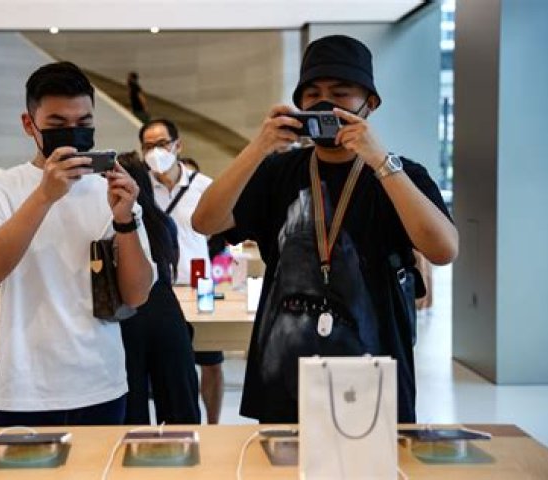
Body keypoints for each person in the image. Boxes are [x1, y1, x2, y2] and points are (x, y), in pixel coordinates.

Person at [192, 35, 458, 424]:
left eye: (340, 92)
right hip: (283, 374)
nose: (324, 103)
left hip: (374, 376)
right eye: (312, 93)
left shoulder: (400, 174)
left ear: (370, 103)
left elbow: (444, 249)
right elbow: (205, 221)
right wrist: (258, 147)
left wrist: (380, 160)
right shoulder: (277, 172)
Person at [0, 61, 155, 427]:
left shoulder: (111, 189)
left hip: (102, 380)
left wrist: (125, 220)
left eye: (84, 123)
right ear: (29, 124)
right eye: (57, 124)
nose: (72, 132)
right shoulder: (0, 189)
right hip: (25, 386)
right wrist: (44, 196)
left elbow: (136, 295)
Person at [139, 118, 224, 424]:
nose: (155, 151)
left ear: (178, 145)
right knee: (165, 368)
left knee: (211, 361)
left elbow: (219, 233)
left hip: (198, 287)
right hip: (157, 291)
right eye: (148, 146)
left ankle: (213, 426)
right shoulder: (140, 188)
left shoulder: (204, 186)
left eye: (162, 144)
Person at [116, 151, 200, 425]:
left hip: (125, 315)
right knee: (179, 406)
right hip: (166, 314)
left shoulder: (114, 223)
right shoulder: (163, 222)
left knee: (131, 408)